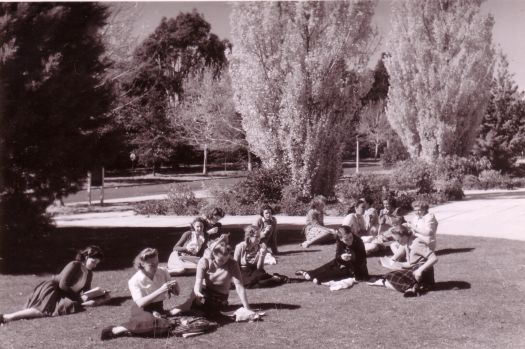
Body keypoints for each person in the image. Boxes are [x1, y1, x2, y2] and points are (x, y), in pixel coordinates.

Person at [0, 245, 108, 324]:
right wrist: (79, 298)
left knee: (68, 306)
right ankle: (7, 317)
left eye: (97, 263)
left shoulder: (89, 273)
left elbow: (86, 290)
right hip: (53, 289)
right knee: (43, 311)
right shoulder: (74, 265)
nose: (95, 265)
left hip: (65, 294)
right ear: (86, 257)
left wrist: (96, 294)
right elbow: (63, 285)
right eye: (93, 261)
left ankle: (8, 317)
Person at [101, 248, 180, 340]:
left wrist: (175, 285)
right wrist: (160, 290)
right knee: (157, 325)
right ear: (142, 264)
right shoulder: (135, 280)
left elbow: (177, 293)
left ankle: (128, 331)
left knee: (164, 328)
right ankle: (118, 328)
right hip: (141, 309)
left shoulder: (162, 272)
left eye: (157, 263)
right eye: (151, 265)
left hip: (158, 308)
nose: (155, 267)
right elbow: (140, 303)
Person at [176, 236, 254, 317]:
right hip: (204, 292)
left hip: (220, 297)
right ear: (213, 255)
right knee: (190, 304)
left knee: (207, 312)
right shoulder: (204, 261)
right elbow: (198, 281)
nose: (223, 262)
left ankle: (192, 308)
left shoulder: (232, 263)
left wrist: (246, 307)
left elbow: (239, 286)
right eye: (220, 260)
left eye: (226, 259)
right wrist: (197, 293)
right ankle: (183, 308)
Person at [367, 225, 438, 297]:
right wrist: (396, 264)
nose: (398, 242)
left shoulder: (417, 243)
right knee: (391, 275)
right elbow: (411, 263)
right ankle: (412, 287)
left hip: (423, 273)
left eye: (398, 240)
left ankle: (412, 287)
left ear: (404, 236)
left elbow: (434, 258)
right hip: (415, 270)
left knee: (392, 277)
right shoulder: (407, 242)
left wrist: (420, 270)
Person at [296, 225, 369, 284]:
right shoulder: (340, 242)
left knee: (339, 271)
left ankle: (316, 277)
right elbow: (337, 257)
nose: (350, 241)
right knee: (333, 263)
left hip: (355, 268)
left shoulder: (358, 242)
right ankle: (311, 273)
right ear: (341, 239)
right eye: (346, 239)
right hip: (344, 263)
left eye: (351, 237)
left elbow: (363, 259)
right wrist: (341, 257)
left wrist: (362, 274)